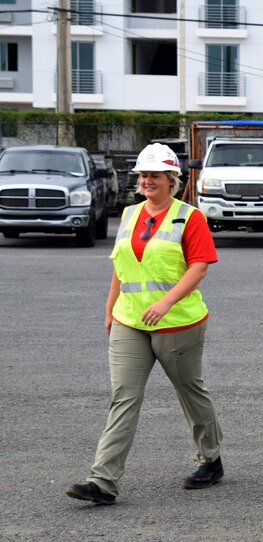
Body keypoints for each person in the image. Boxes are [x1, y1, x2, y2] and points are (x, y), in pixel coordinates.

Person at [66, 143, 224, 505]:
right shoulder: (129, 214)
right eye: (143, 174)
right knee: (124, 398)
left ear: (172, 180)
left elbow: (199, 267)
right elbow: (120, 269)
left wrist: (166, 302)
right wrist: (110, 310)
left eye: (155, 175)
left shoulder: (189, 217)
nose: (147, 180)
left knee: (190, 392)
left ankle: (211, 458)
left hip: (178, 323)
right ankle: (103, 481)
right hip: (130, 321)